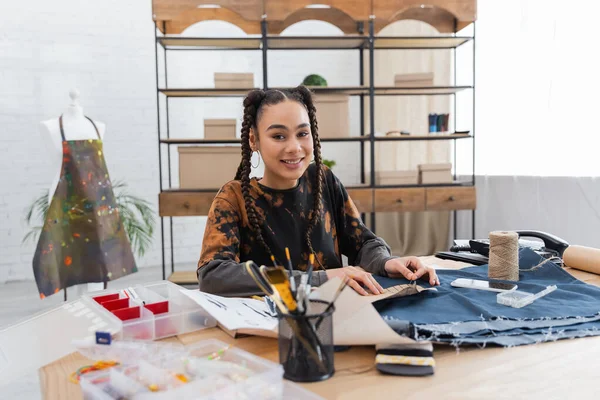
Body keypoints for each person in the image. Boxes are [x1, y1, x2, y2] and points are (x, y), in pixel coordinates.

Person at [197, 86, 439, 297]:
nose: (294, 147)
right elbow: (213, 274)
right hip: (270, 328)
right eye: (278, 136)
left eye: (303, 134)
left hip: (335, 316)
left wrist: (387, 263)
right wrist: (319, 279)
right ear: (253, 140)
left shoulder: (323, 180)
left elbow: (363, 243)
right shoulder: (233, 197)